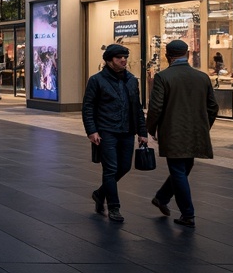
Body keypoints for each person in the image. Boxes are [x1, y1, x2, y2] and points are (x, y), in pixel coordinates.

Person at [146, 39, 218, 228]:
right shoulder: (202, 77)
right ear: (188, 54)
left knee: (179, 171)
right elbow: (213, 107)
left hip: (173, 132)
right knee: (184, 169)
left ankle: (188, 214)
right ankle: (161, 197)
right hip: (196, 133)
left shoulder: (163, 77)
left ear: (167, 56)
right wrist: (204, 126)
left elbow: (155, 107)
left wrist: (150, 129)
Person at [82, 43, 148, 223]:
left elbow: (137, 107)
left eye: (125, 57)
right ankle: (114, 207)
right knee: (110, 169)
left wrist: (142, 132)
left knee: (124, 167)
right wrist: (92, 130)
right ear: (109, 60)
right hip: (106, 130)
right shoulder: (96, 80)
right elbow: (88, 107)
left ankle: (99, 193)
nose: (123, 60)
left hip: (127, 130)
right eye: (119, 58)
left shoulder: (132, 80)